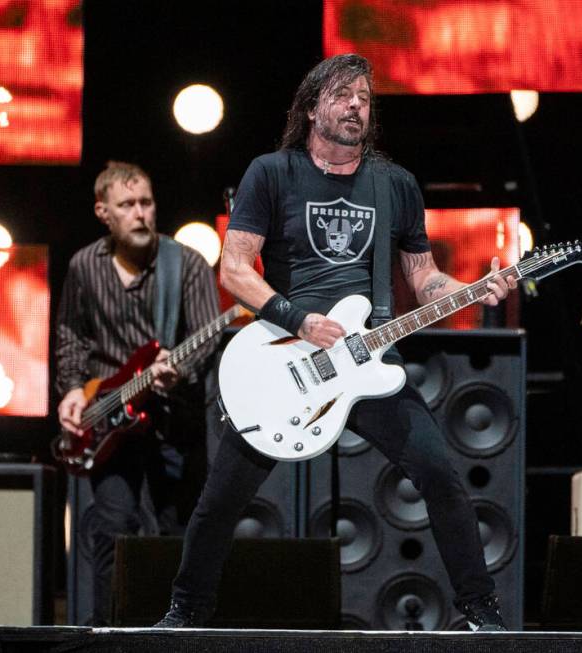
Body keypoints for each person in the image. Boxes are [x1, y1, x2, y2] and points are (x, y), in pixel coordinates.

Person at [156, 53, 517, 632]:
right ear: (312, 105)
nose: (356, 105)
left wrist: (473, 288)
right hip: (287, 360)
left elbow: (423, 281)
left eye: (365, 98)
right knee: (222, 498)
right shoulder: (271, 172)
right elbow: (235, 269)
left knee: (441, 476)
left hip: (371, 361)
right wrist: (298, 320)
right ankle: (185, 613)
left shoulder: (395, 184)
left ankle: (481, 612)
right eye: (344, 94)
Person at [55, 161, 220, 625]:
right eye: (127, 205)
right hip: (106, 417)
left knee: (178, 532)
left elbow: (206, 337)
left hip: (172, 416)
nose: (141, 213)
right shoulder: (84, 266)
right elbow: (71, 335)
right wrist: (70, 391)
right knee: (112, 527)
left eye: (146, 202)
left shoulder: (184, 264)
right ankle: (109, 631)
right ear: (103, 212)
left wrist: (180, 368)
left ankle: (177, 631)